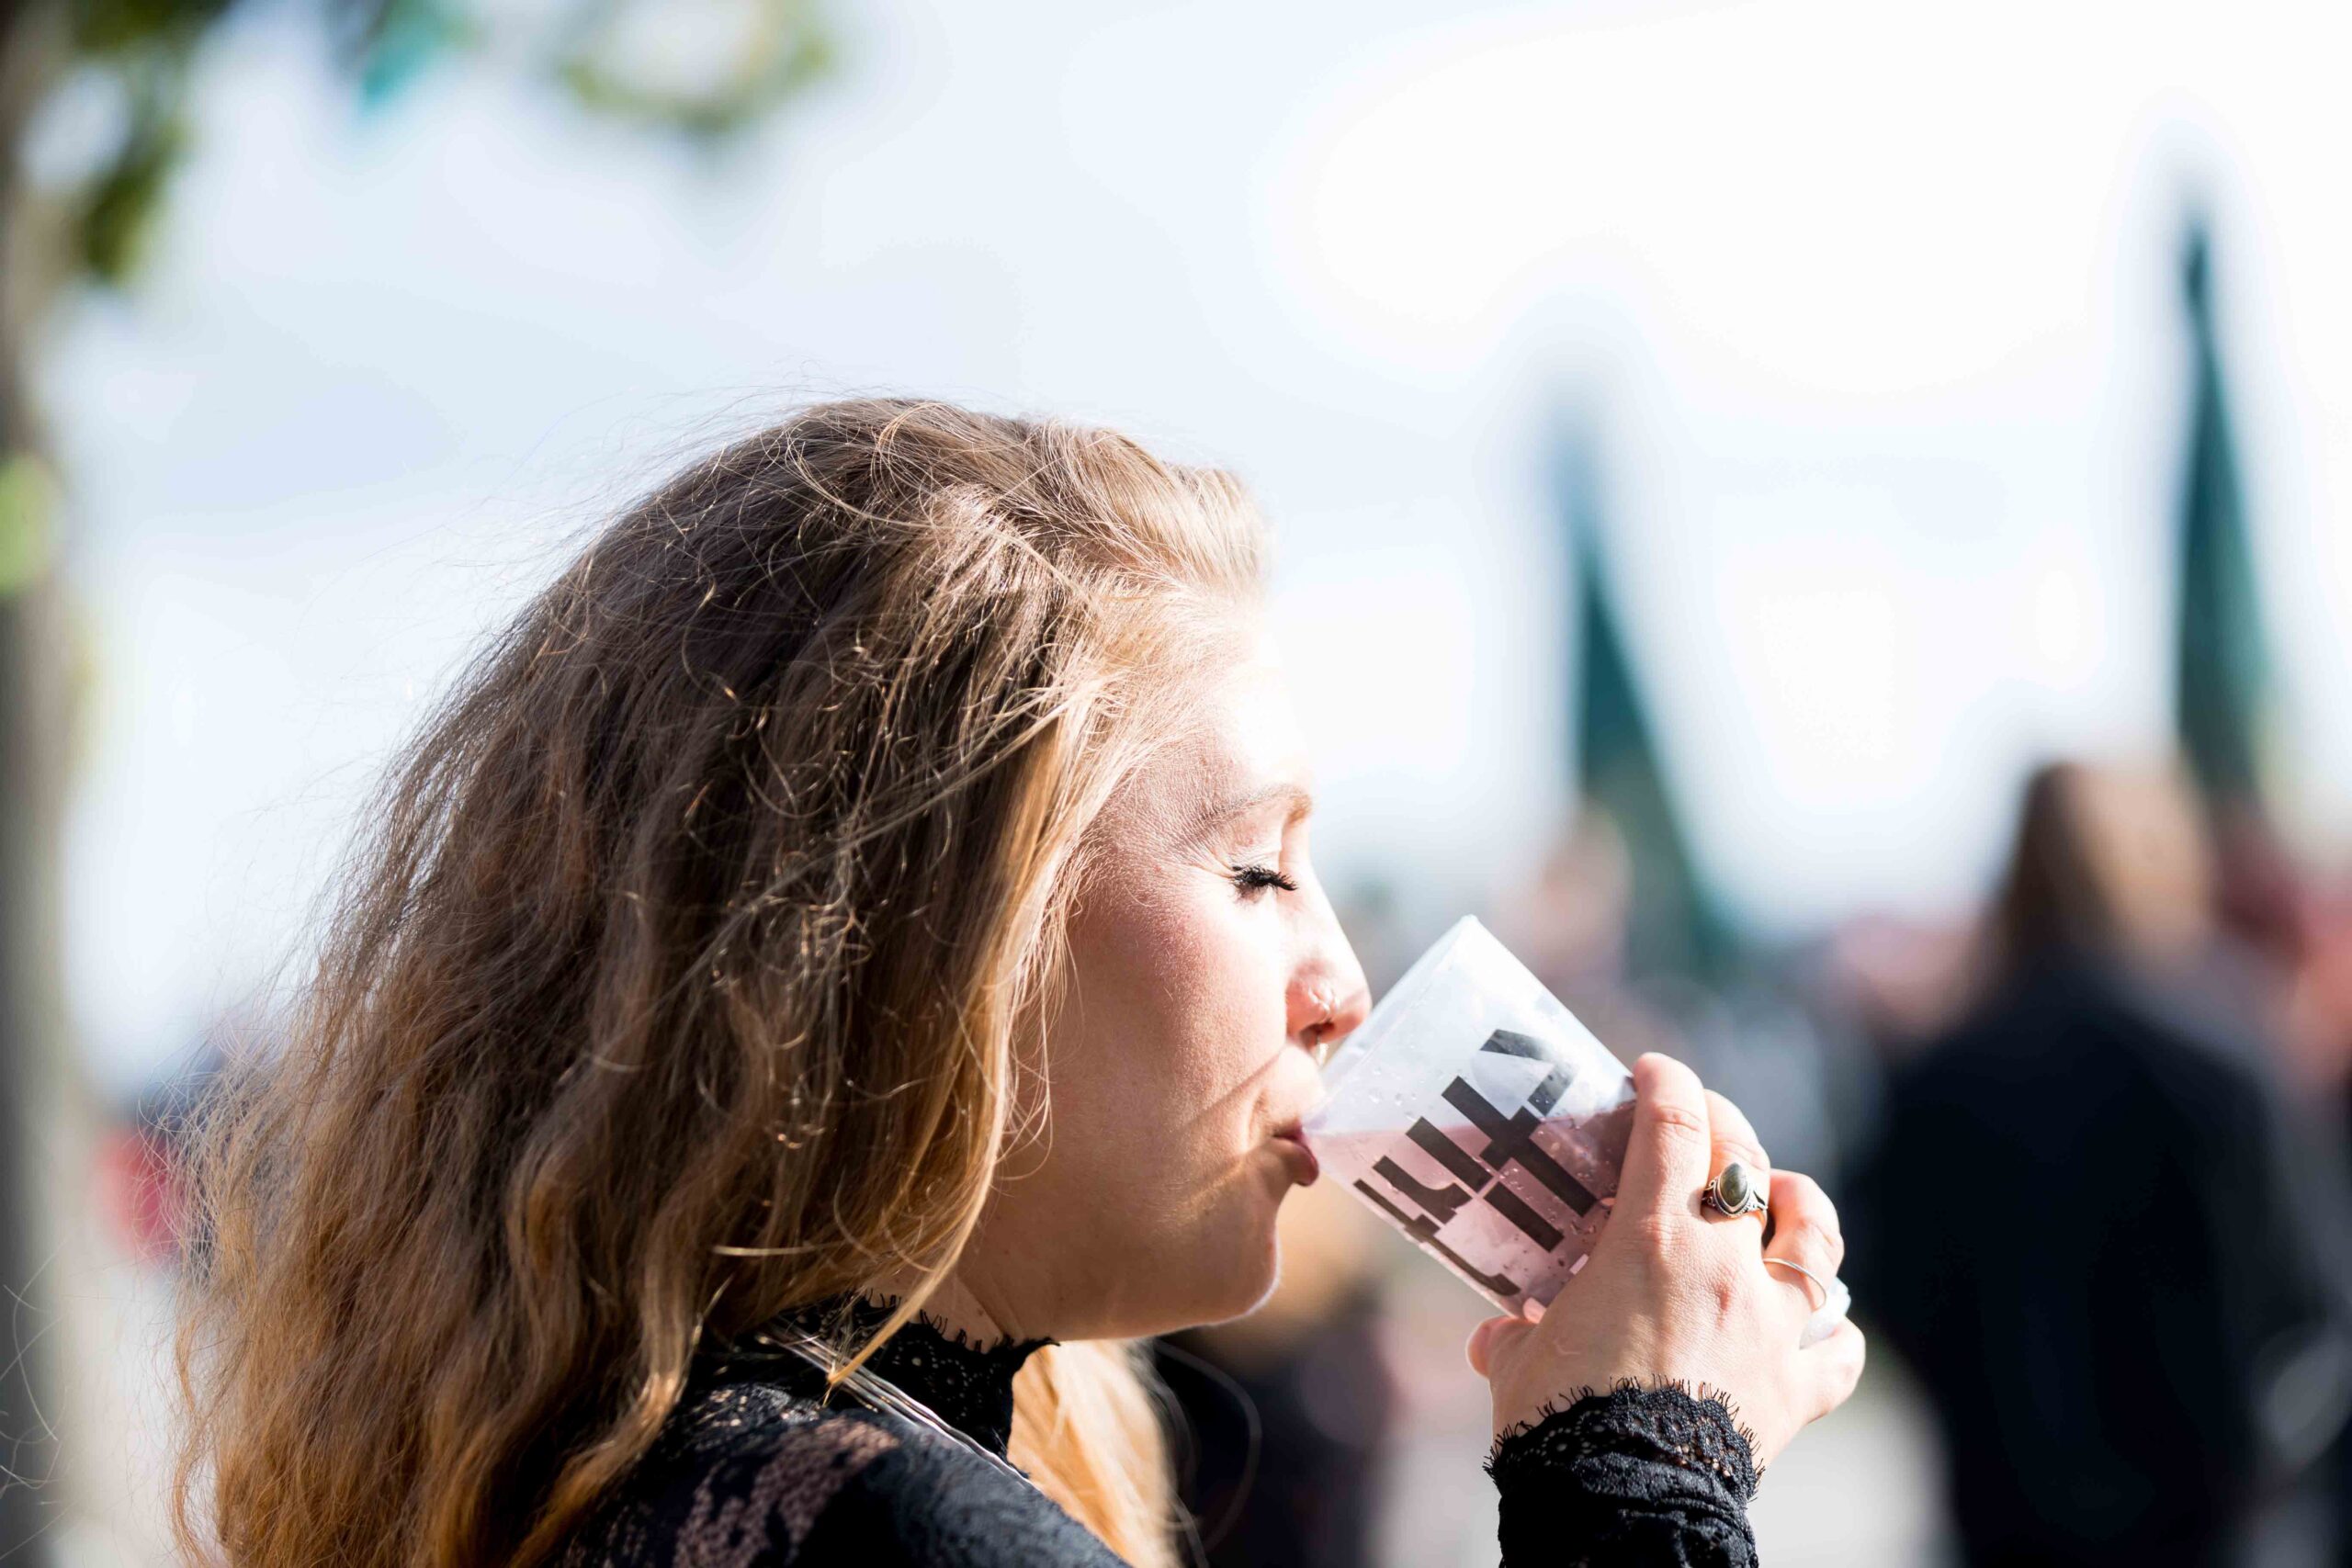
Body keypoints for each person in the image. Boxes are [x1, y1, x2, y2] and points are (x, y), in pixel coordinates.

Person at [171, 400, 1863, 1568]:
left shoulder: (670, 1469)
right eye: (1257, 869)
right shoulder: (894, 1529)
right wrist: (1640, 1466)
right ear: (933, 932)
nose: (1342, 981)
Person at [1853, 760, 2350, 1566]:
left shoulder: (1937, 1081)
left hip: (2007, 1522)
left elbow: (1890, 1289)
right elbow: (2312, 1309)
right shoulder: (2221, 1060)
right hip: (2209, 1528)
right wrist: (2257, 1468)